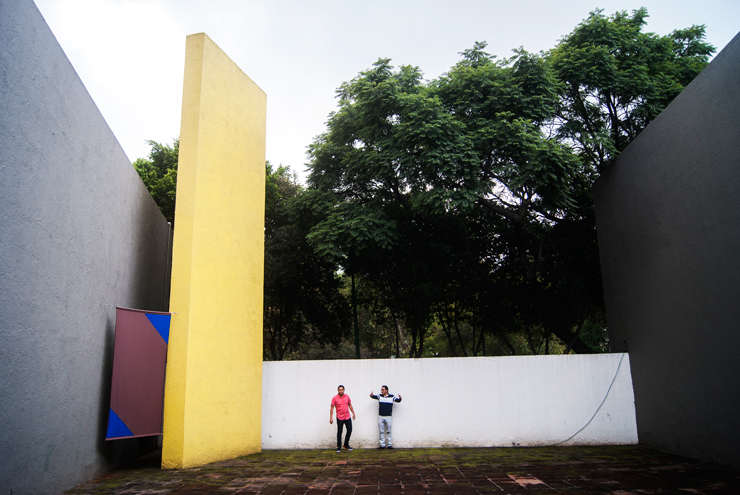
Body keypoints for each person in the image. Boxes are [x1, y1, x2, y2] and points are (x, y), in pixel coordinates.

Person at [330, 385, 355, 453]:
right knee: (339, 432)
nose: (341, 391)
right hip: (340, 417)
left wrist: (353, 413)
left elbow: (350, 405)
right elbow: (332, 408)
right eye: (339, 390)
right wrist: (331, 418)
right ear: (338, 391)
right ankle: (339, 446)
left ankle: (346, 444)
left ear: (344, 390)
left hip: (347, 416)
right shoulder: (334, 398)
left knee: (349, 429)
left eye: (342, 389)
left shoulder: (347, 396)